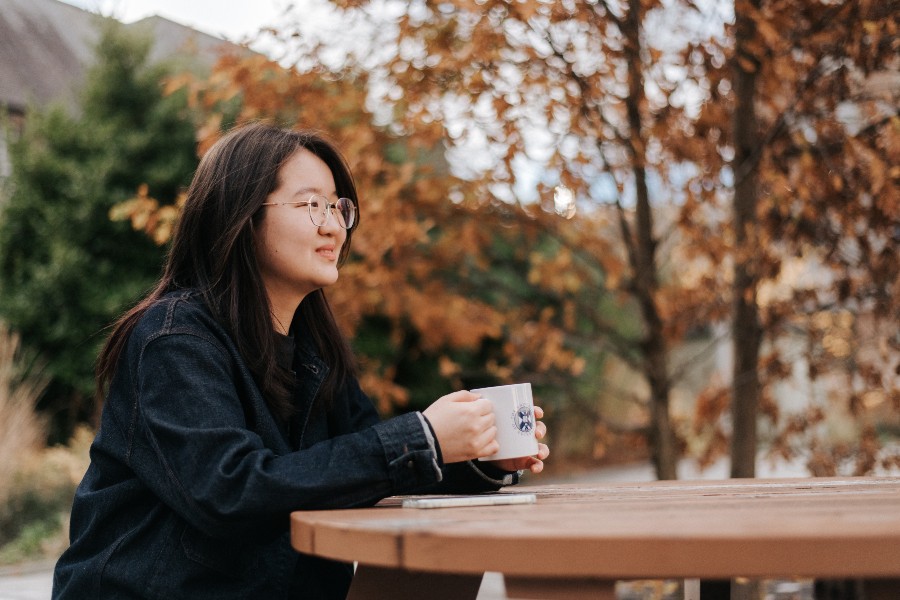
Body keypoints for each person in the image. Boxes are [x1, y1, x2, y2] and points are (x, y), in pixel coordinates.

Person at [52, 122, 549, 599]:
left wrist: (479, 456)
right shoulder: (174, 339)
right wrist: (423, 437)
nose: (333, 225)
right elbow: (231, 492)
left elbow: (363, 471)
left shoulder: (316, 350)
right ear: (241, 216)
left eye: (338, 207)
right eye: (312, 204)